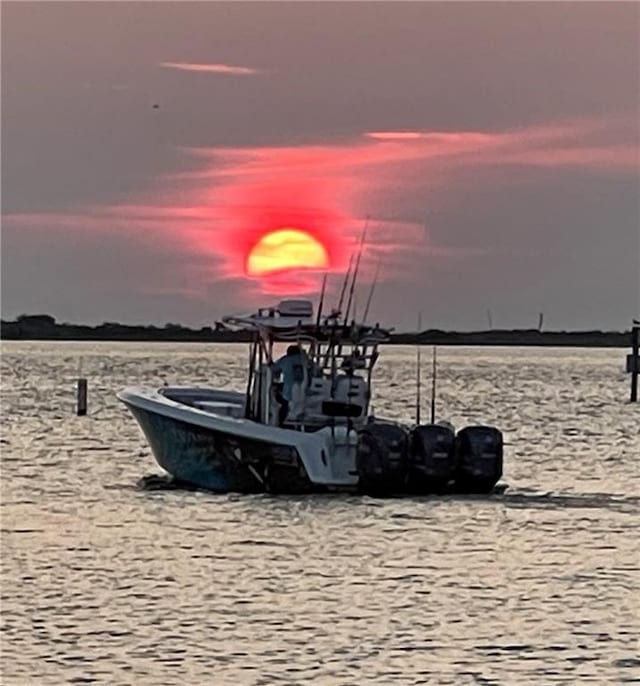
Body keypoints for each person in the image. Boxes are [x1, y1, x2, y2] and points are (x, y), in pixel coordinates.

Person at [272, 344, 309, 424]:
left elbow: (273, 369)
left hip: (289, 393)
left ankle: (279, 422)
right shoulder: (306, 360)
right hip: (305, 393)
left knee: (280, 399)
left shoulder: (286, 360)